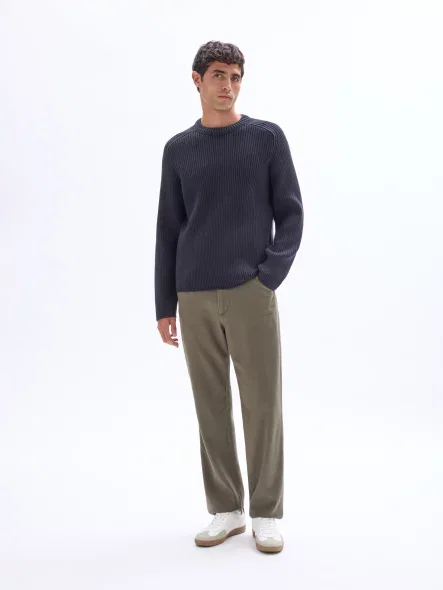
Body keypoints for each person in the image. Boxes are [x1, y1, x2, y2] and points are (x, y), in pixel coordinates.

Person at [154, 40, 304, 553]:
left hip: (249, 291)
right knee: (210, 404)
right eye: (219, 75)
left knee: (262, 404)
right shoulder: (178, 149)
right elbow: (168, 229)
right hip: (192, 293)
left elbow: (291, 213)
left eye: (236, 76)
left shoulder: (266, 138)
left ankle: (266, 512)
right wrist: (164, 305)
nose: (229, 85)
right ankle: (226, 508)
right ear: (197, 80)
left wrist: (268, 277)